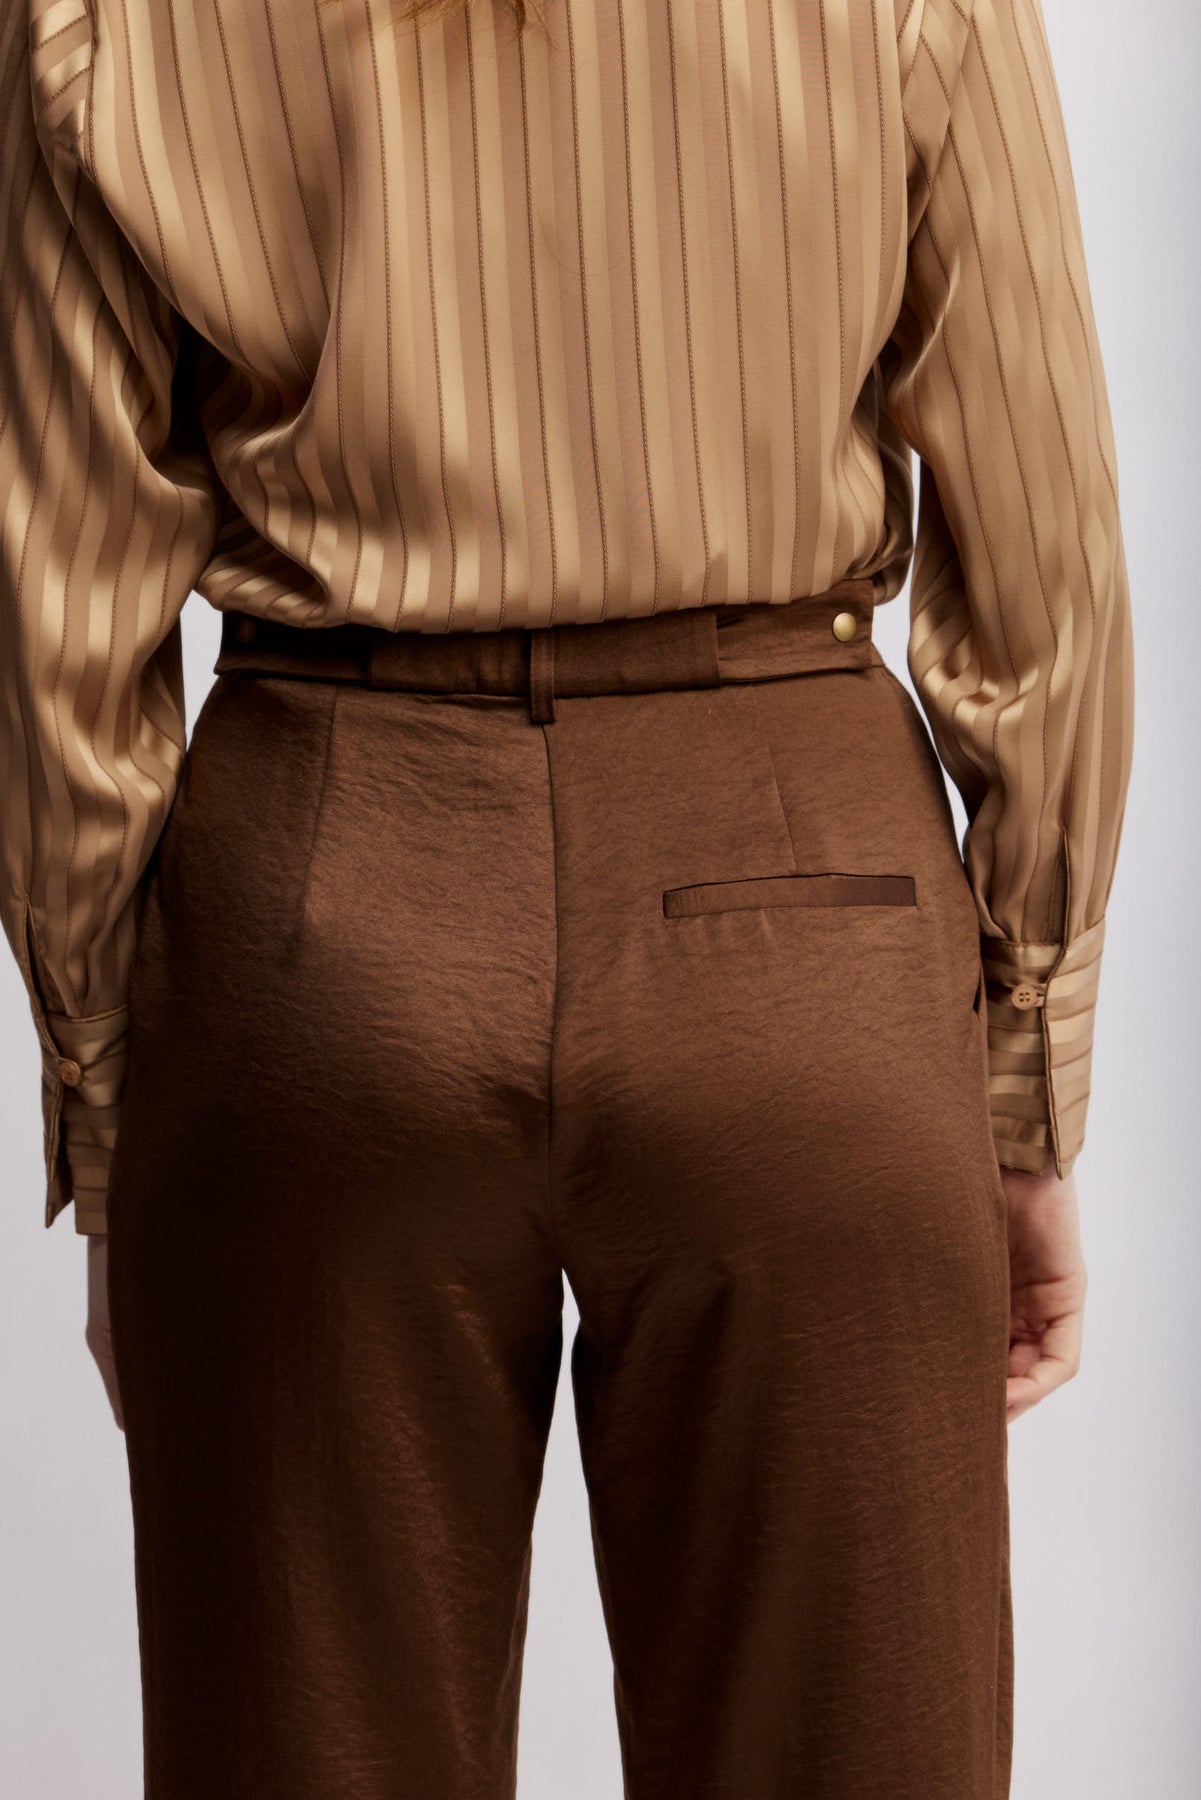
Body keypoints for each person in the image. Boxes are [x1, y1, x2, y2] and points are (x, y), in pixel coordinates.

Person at [0, 0, 1133, 1793]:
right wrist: (1022, 1075)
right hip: (802, 907)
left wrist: (118, 1121)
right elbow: (1042, 546)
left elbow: (59, 616)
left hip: (323, 913)